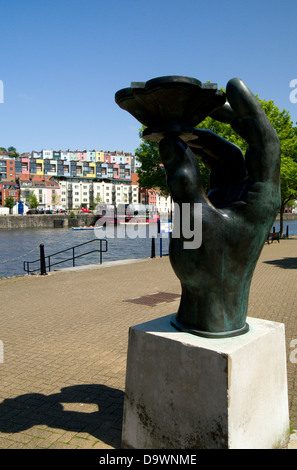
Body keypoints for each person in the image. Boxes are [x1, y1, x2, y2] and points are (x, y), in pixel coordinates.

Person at [158, 78, 281, 337]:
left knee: (228, 161)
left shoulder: (203, 209)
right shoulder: (214, 208)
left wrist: (188, 216)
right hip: (223, 320)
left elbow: (191, 212)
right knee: (230, 161)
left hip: (194, 318)